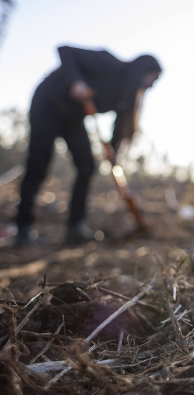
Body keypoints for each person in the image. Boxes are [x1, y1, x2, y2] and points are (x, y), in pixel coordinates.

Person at [15, 46, 162, 246]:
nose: (150, 86)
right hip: (47, 105)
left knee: (86, 167)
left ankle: (76, 227)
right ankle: (23, 227)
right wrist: (77, 82)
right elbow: (65, 50)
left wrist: (114, 154)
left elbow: (118, 128)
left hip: (73, 119)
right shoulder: (108, 63)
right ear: (142, 70)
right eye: (152, 79)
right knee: (38, 164)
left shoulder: (125, 97)